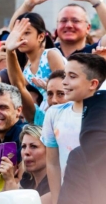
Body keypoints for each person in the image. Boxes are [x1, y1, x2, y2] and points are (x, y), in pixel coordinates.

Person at [41, 53, 106, 204]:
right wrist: (57, 199)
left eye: (72, 76)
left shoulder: (101, 116)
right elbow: (52, 163)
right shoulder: (53, 113)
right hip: (70, 195)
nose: (64, 82)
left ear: (93, 83)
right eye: (64, 75)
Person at [9, 0, 106, 57]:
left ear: (88, 28)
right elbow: (14, 33)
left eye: (75, 21)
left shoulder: (96, 52)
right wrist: (29, 4)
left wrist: (96, 1)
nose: (68, 25)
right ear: (57, 26)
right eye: (63, 21)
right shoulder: (44, 52)